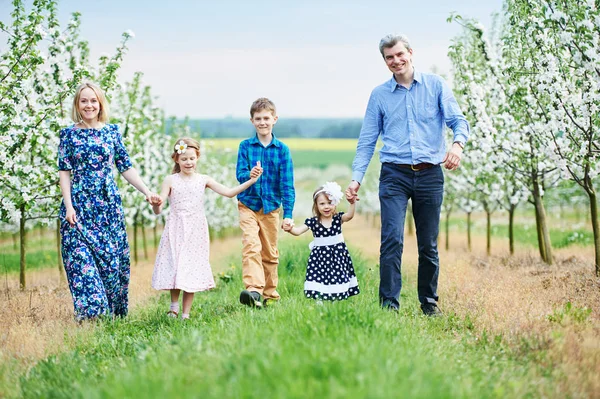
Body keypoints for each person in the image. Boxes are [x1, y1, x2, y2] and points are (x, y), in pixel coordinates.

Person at [346, 34, 470, 316]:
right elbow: (367, 141)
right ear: (385, 61)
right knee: (391, 238)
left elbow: (457, 120)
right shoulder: (379, 95)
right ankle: (389, 305)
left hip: (429, 174)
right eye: (389, 57)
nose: (396, 61)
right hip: (394, 174)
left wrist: (458, 145)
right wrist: (356, 178)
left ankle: (429, 303)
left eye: (400, 54)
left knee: (428, 243)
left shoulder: (436, 86)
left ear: (411, 53)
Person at [58, 82, 160, 321]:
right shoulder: (68, 134)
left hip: (107, 208)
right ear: (77, 104)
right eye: (84, 101)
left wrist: (146, 191)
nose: (89, 105)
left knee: (111, 264)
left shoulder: (111, 132)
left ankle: (112, 315)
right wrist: (69, 205)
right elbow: (64, 172)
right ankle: (91, 315)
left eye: (93, 100)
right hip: (79, 207)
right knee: (79, 258)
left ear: (100, 103)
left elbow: (125, 167)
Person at [151, 137, 262, 319]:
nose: (188, 162)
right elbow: (158, 209)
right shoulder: (170, 180)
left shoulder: (203, 180)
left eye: (192, 158)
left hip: (196, 230)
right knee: (176, 265)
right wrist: (155, 203)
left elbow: (228, 192)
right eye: (184, 159)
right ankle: (173, 307)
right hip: (176, 227)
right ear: (176, 159)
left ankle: (185, 314)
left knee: (191, 268)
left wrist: (251, 181)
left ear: (198, 158)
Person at [236, 97, 295, 308]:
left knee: (270, 253)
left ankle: (270, 294)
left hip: (271, 208)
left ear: (274, 119)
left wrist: (288, 214)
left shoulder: (282, 150)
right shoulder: (245, 146)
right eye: (258, 118)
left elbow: (287, 184)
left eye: (266, 118)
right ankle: (254, 291)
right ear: (252, 121)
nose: (262, 122)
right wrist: (249, 175)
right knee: (251, 245)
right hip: (248, 204)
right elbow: (239, 175)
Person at [283, 182, 360, 301]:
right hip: (320, 257)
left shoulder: (338, 218)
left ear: (335, 203)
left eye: (330, 203)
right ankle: (320, 300)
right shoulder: (313, 221)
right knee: (319, 277)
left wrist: (352, 203)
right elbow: (298, 231)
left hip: (337, 256)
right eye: (322, 204)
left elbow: (349, 216)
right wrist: (289, 229)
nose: (326, 207)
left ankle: (336, 299)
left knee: (338, 276)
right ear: (316, 206)